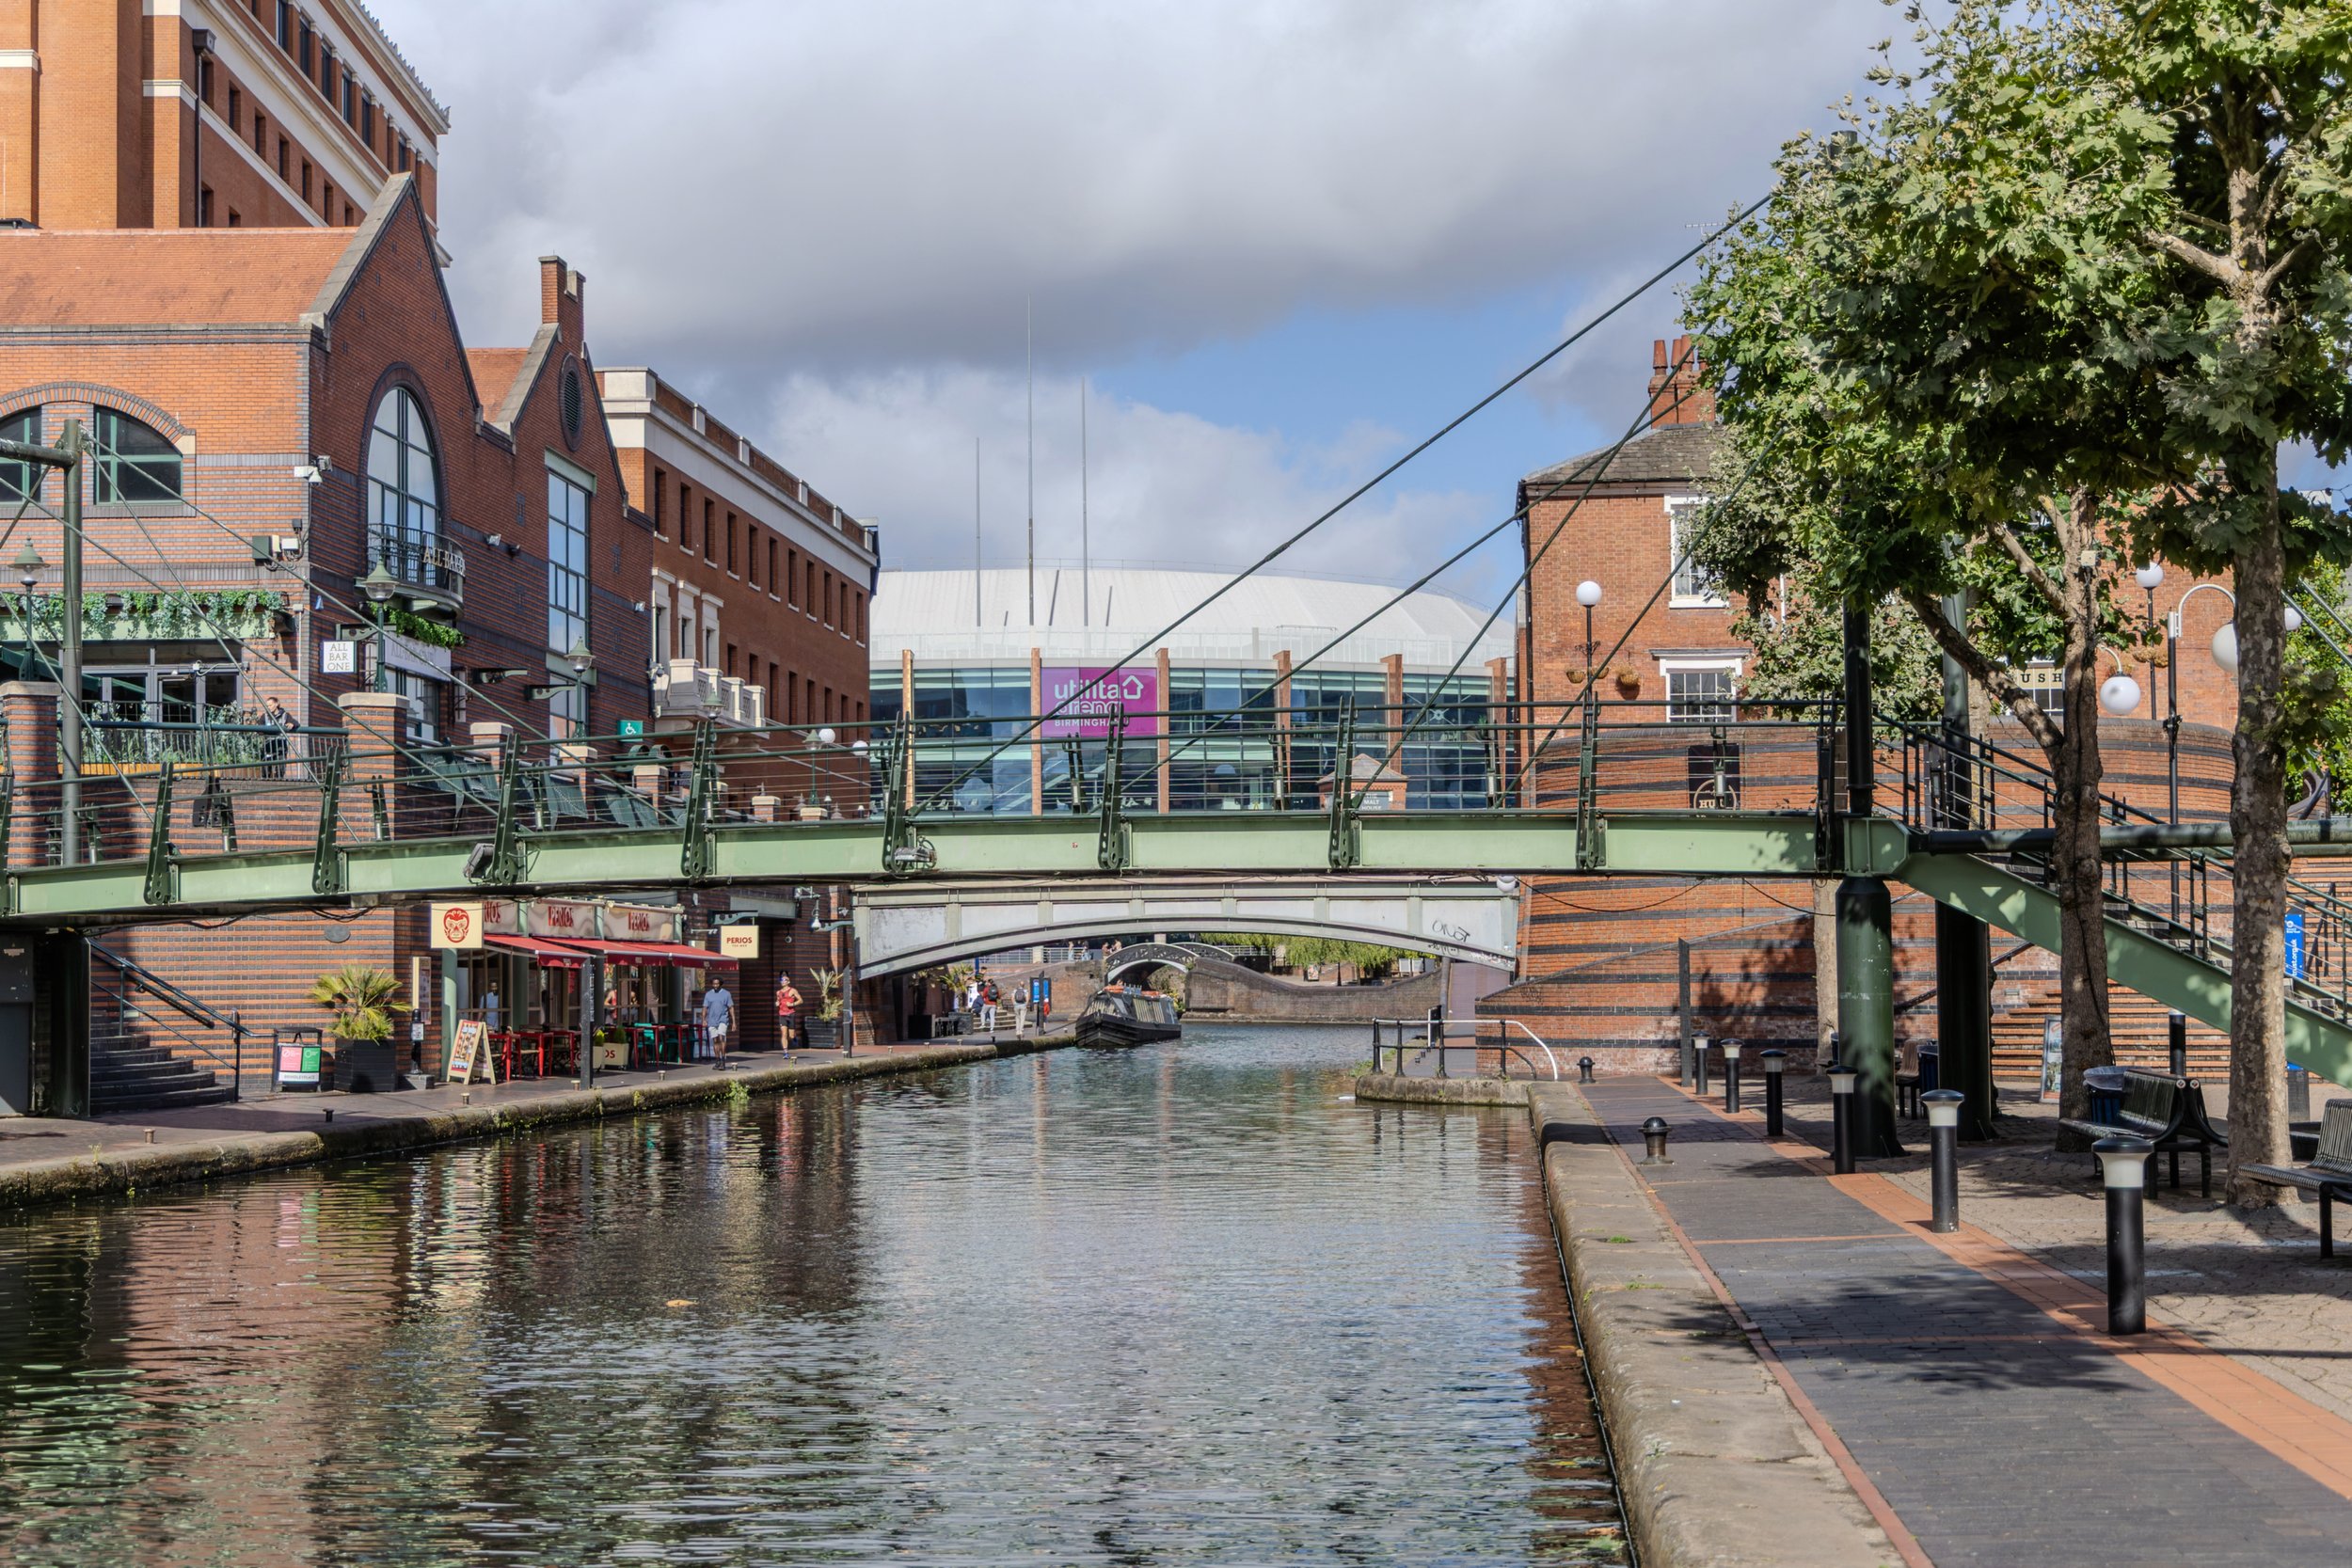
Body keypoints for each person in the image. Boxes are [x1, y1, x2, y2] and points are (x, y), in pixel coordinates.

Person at [702, 976, 735, 1059]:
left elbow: (731, 1007)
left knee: (721, 1038)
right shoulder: (708, 994)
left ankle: (723, 1059)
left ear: (720, 984)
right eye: (714, 984)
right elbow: (705, 1008)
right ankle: (717, 1060)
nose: (715, 986)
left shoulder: (726, 994)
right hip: (712, 1020)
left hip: (723, 1019)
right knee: (715, 1041)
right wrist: (704, 1020)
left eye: (717, 984)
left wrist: (734, 1022)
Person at [774, 974, 803, 1053]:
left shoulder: (793, 990)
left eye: (785, 980)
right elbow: (778, 1001)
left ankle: (794, 1038)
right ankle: (785, 1052)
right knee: (784, 1034)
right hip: (782, 1015)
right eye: (781, 980)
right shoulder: (778, 992)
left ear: (788, 982)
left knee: (791, 1035)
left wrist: (792, 1004)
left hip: (790, 1014)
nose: (783, 981)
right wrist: (777, 1003)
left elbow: (801, 1000)